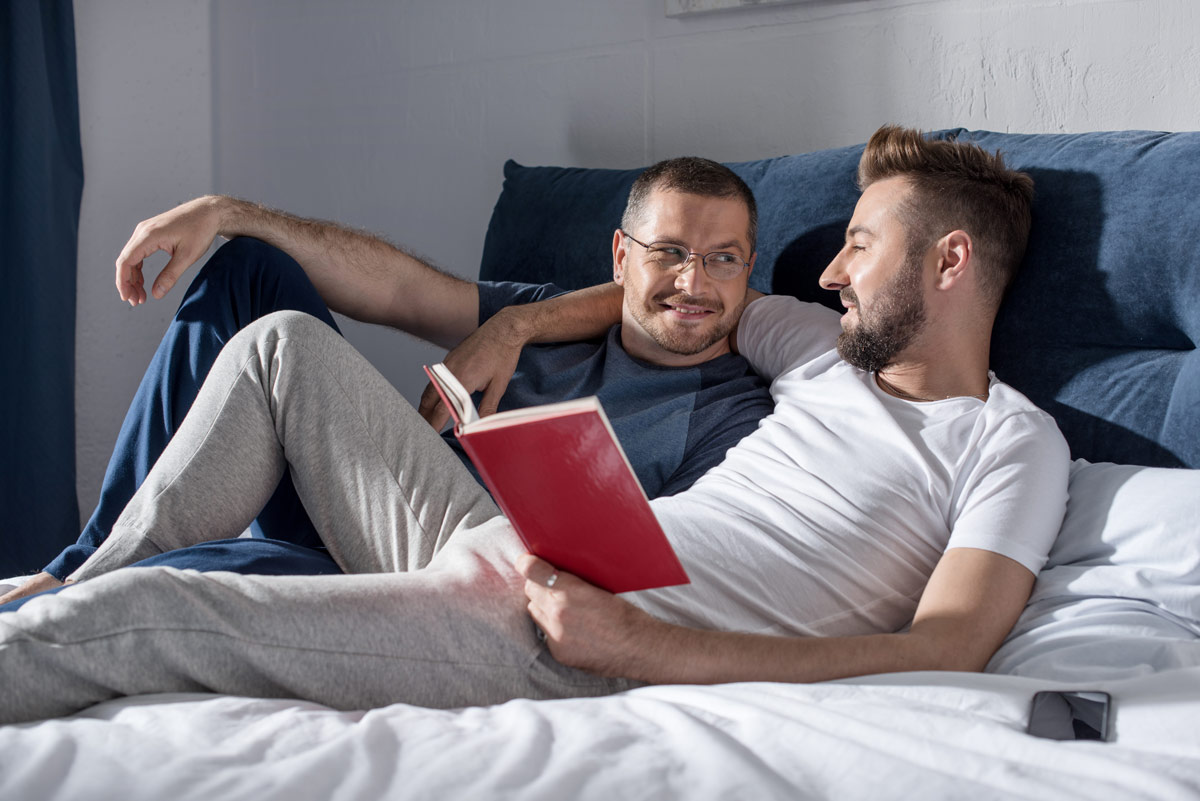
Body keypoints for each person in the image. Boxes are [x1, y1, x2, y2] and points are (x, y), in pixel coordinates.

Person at [0, 126, 1068, 725]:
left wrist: (641, 644)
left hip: (574, 643)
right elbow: (669, 296)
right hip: (524, 547)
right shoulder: (821, 347)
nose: (829, 270)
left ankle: (76, 613)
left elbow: (948, 650)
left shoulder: (1009, 442)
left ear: (950, 262)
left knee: (159, 616)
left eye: (860, 245)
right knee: (280, 346)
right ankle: (75, 575)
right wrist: (514, 323)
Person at [0, 156, 773, 607]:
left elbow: (674, 582)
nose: (692, 280)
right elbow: (402, 291)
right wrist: (228, 211)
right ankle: (84, 560)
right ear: (619, 256)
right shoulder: (546, 315)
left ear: (750, 271)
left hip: (463, 567)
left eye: (723, 258)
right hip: (363, 499)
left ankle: (77, 589)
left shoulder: (737, 414)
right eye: (669, 251)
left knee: (281, 364)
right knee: (251, 268)